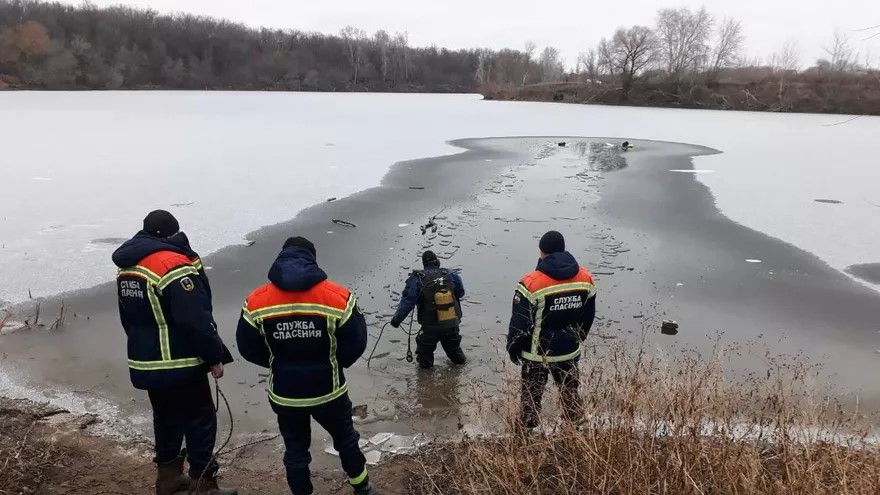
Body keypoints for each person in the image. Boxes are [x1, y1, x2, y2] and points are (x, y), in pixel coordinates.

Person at [236, 237, 378, 495]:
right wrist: (335, 362)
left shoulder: (256, 300)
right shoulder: (338, 297)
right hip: (329, 390)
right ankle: (363, 487)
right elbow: (357, 341)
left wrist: (275, 362)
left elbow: (247, 347)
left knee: (295, 448)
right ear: (312, 259)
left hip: (285, 393)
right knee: (346, 440)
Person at [112, 210, 236, 495]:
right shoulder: (172, 265)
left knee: (166, 418)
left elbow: (127, 317)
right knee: (200, 419)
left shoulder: (128, 266)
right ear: (174, 234)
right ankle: (203, 484)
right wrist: (214, 356)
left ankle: (167, 479)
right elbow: (194, 319)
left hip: (146, 361)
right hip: (179, 361)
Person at [506, 231, 596, 430]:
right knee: (570, 393)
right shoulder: (585, 277)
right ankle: (577, 432)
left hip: (537, 354)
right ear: (563, 249)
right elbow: (588, 315)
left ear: (542, 252)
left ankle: (526, 435)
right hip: (569, 350)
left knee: (531, 397)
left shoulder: (531, 283)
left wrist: (513, 349)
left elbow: (519, 324)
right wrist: (578, 338)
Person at [390, 251, 466, 369]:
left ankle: (426, 382)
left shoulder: (417, 279)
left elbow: (408, 302)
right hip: (451, 322)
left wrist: (396, 320)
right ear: (437, 262)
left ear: (424, 264)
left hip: (430, 326)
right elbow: (460, 293)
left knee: (424, 358)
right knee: (457, 356)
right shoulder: (451, 274)